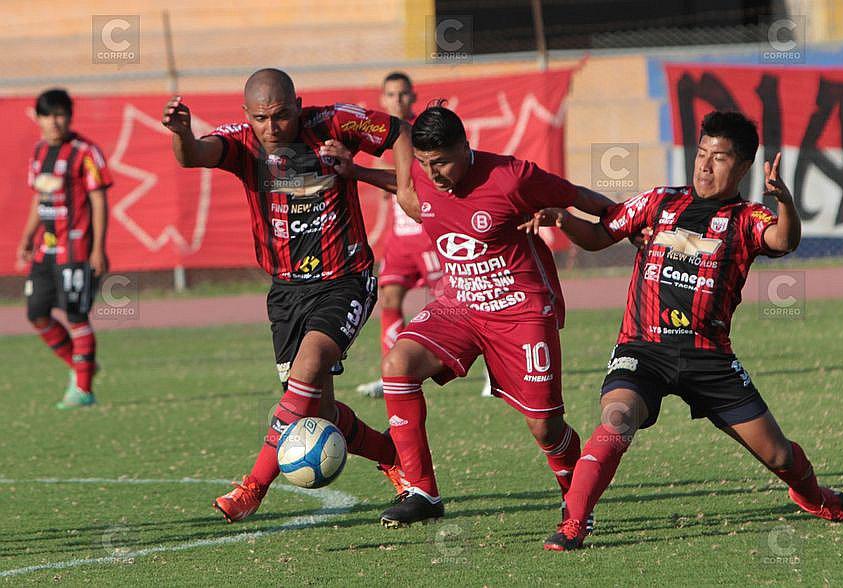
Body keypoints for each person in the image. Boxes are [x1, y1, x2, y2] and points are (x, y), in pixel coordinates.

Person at [526, 111, 843, 551]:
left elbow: (784, 241)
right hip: (643, 349)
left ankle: (815, 498)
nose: (705, 165)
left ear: (742, 167)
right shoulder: (659, 202)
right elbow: (597, 237)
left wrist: (784, 201)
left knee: (779, 455)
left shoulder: (748, 219)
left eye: (719, 158)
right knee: (616, 420)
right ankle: (574, 523)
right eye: (701, 154)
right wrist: (561, 219)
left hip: (709, 359)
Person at [321, 103, 616, 527]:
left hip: (521, 312)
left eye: (440, 162)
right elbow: (409, 189)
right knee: (397, 365)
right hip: (459, 305)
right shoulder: (425, 177)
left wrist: (630, 220)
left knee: (546, 428)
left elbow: (576, 196)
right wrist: (358, 172)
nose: (432, 172)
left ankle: (575, 496)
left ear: (465, 147)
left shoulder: (512, 177)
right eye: (423, 163)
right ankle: (423, 492)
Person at [161, 68, 419, 523]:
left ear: (298, 106)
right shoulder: (242, 143)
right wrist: (182, 133)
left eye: (281, 116)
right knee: (313, 411)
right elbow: (193, 156)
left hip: (345, 279)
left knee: (309, 365)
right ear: (248, 115)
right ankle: (391, 455)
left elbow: (399, 131)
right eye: (261, 118)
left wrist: (406, 188)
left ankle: (253, 487)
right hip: (286, 293)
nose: (272, 127)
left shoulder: (336, 123)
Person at [355, 72, 493, 399]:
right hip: (400, 238)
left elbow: (409, 179)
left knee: (461, 303)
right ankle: (390, 371)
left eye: (403, 94)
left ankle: (492, 368)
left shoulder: (422, 134)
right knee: (388, 299)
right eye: (391, 94)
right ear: (382, 99)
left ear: (413, 97)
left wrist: (363, 175)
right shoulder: (378, 133)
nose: (398, 100)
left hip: (429, 233)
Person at [15, 88, 111, 409]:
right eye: (47, 115)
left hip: (77, 249)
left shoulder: (86, 152)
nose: (54, 122)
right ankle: (80, 366)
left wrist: (98, 248)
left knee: (75, 314)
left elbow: (99, 200)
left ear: (70, 116)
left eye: (60, 115)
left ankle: (84, 389)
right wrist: (27, 238)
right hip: (46, 249)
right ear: (38, 118)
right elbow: (38, 198)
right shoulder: (39, 152)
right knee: (36, 314)